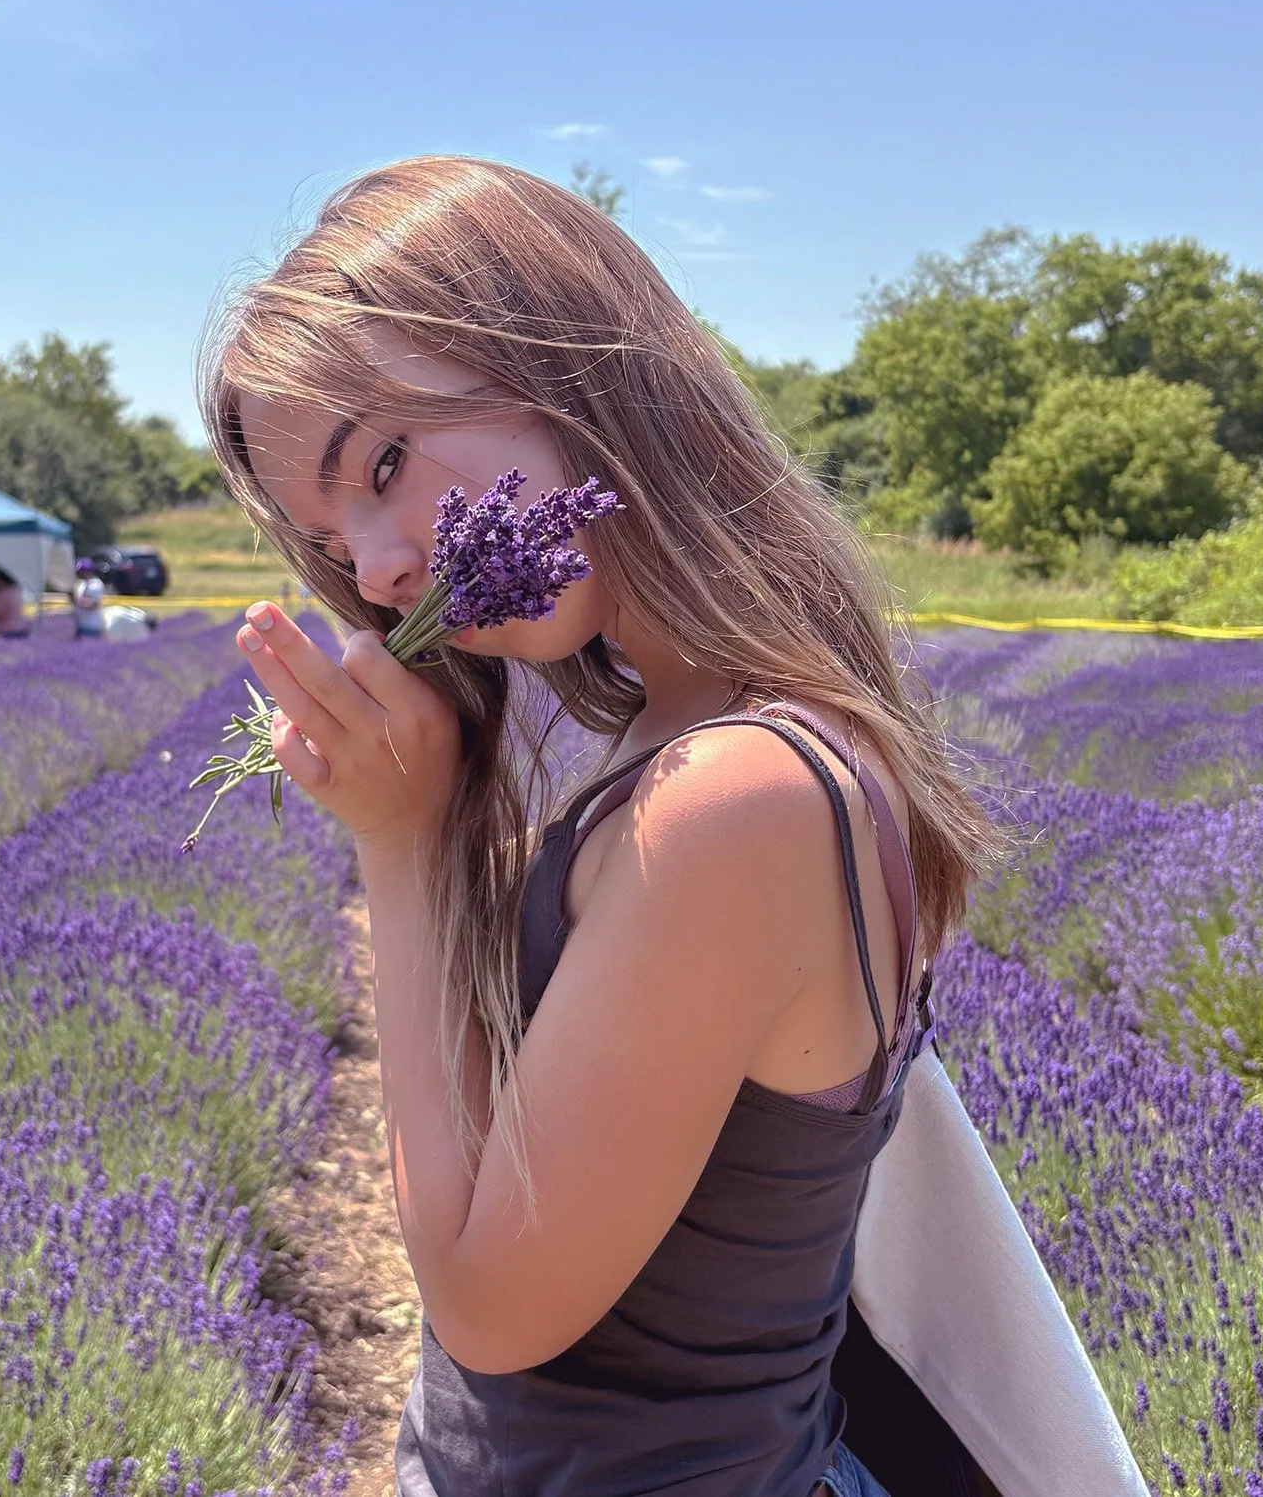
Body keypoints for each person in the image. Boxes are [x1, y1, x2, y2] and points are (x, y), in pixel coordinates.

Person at [200, 159, 1018, 1497]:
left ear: (560, 358)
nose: (382, 567)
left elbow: (492, 1306)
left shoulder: (735, 796)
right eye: (335, 538)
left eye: (384, 464)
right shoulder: (675, 736)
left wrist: (402, 853)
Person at [71, 559, 106, 639]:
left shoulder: (95, 585)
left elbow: (94, 605)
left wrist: (77, 601)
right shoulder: (83, 584)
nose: (78, 574)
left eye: (81, 571)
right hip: (81, 624)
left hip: (92, 627)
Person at [0, 574, 30, 639]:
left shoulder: (2, 594)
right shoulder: (17, 592)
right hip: (22, 630)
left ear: (0, 581)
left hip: (6, 632)